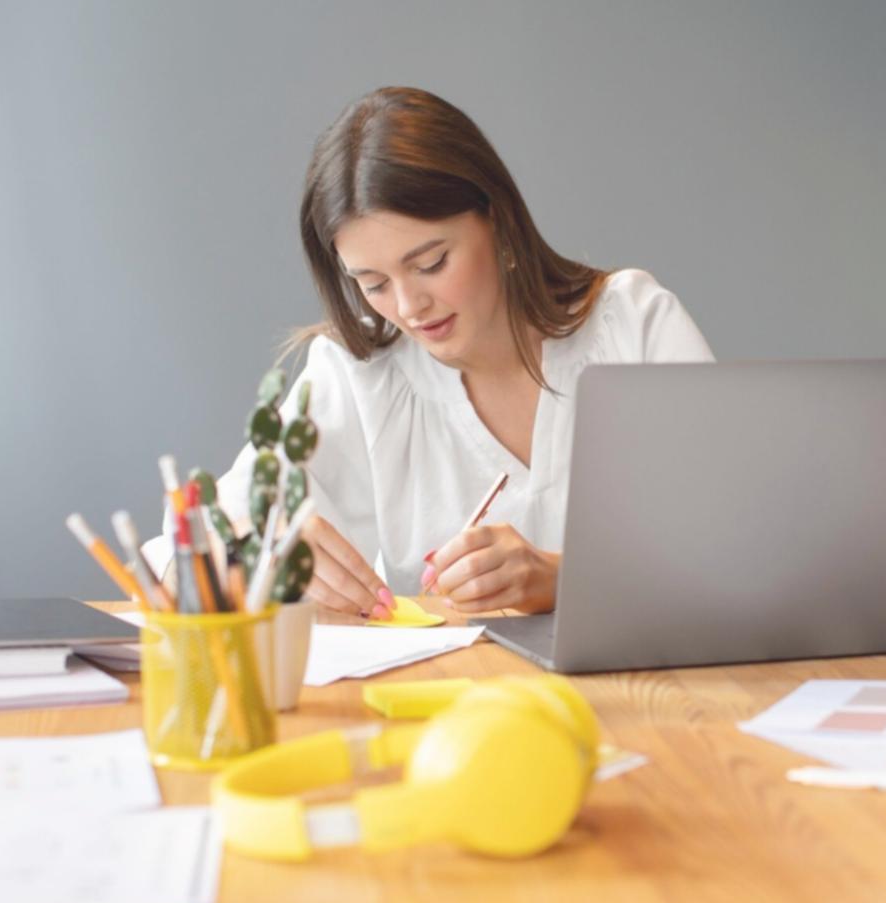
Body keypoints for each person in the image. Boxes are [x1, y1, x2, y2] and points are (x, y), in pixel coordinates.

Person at [202, 87, 713, 620]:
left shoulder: (633, 325)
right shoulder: (358, 372)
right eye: (372, 283)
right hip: (449, 699)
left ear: (496, 219)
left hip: (660, 699)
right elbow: (198, 541)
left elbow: (738, 547)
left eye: (431, 263)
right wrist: (253, 545)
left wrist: (566, 578)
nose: (408, 306)